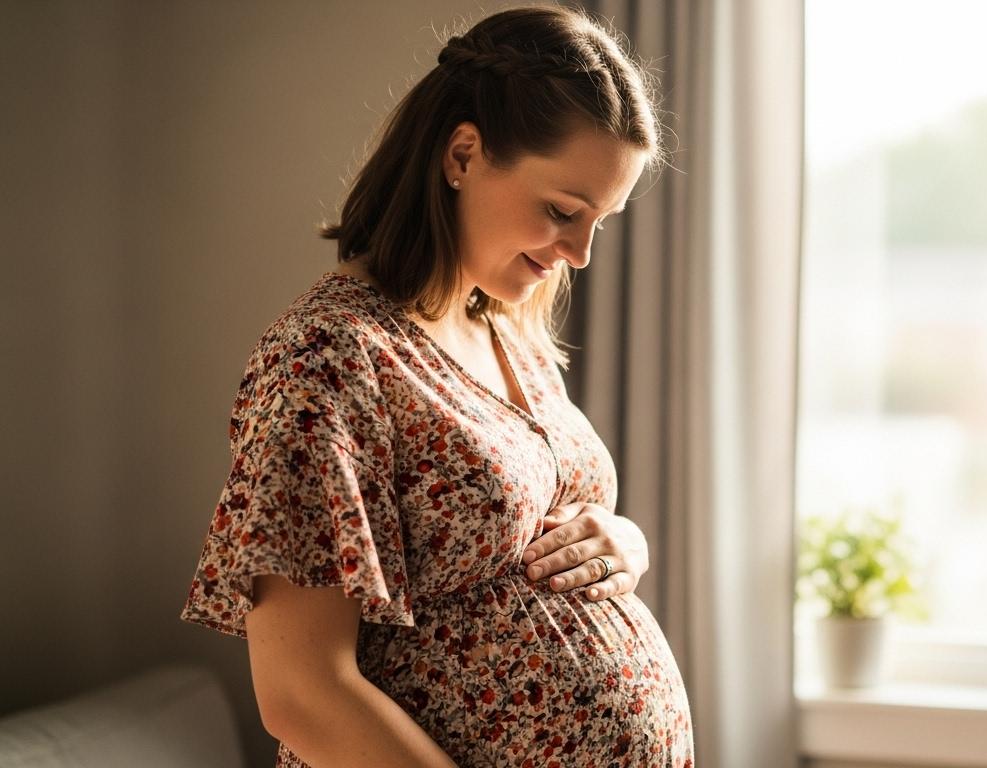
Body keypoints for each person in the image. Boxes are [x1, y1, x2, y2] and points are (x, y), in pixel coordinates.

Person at [178, 5, 693, 766]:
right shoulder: (330, 356)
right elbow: (301, 691)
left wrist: (624, 544)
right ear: (462, 155)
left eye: (601, 222)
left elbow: (537, 525)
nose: (581, 253)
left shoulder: (503, 325)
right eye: (562, 211)